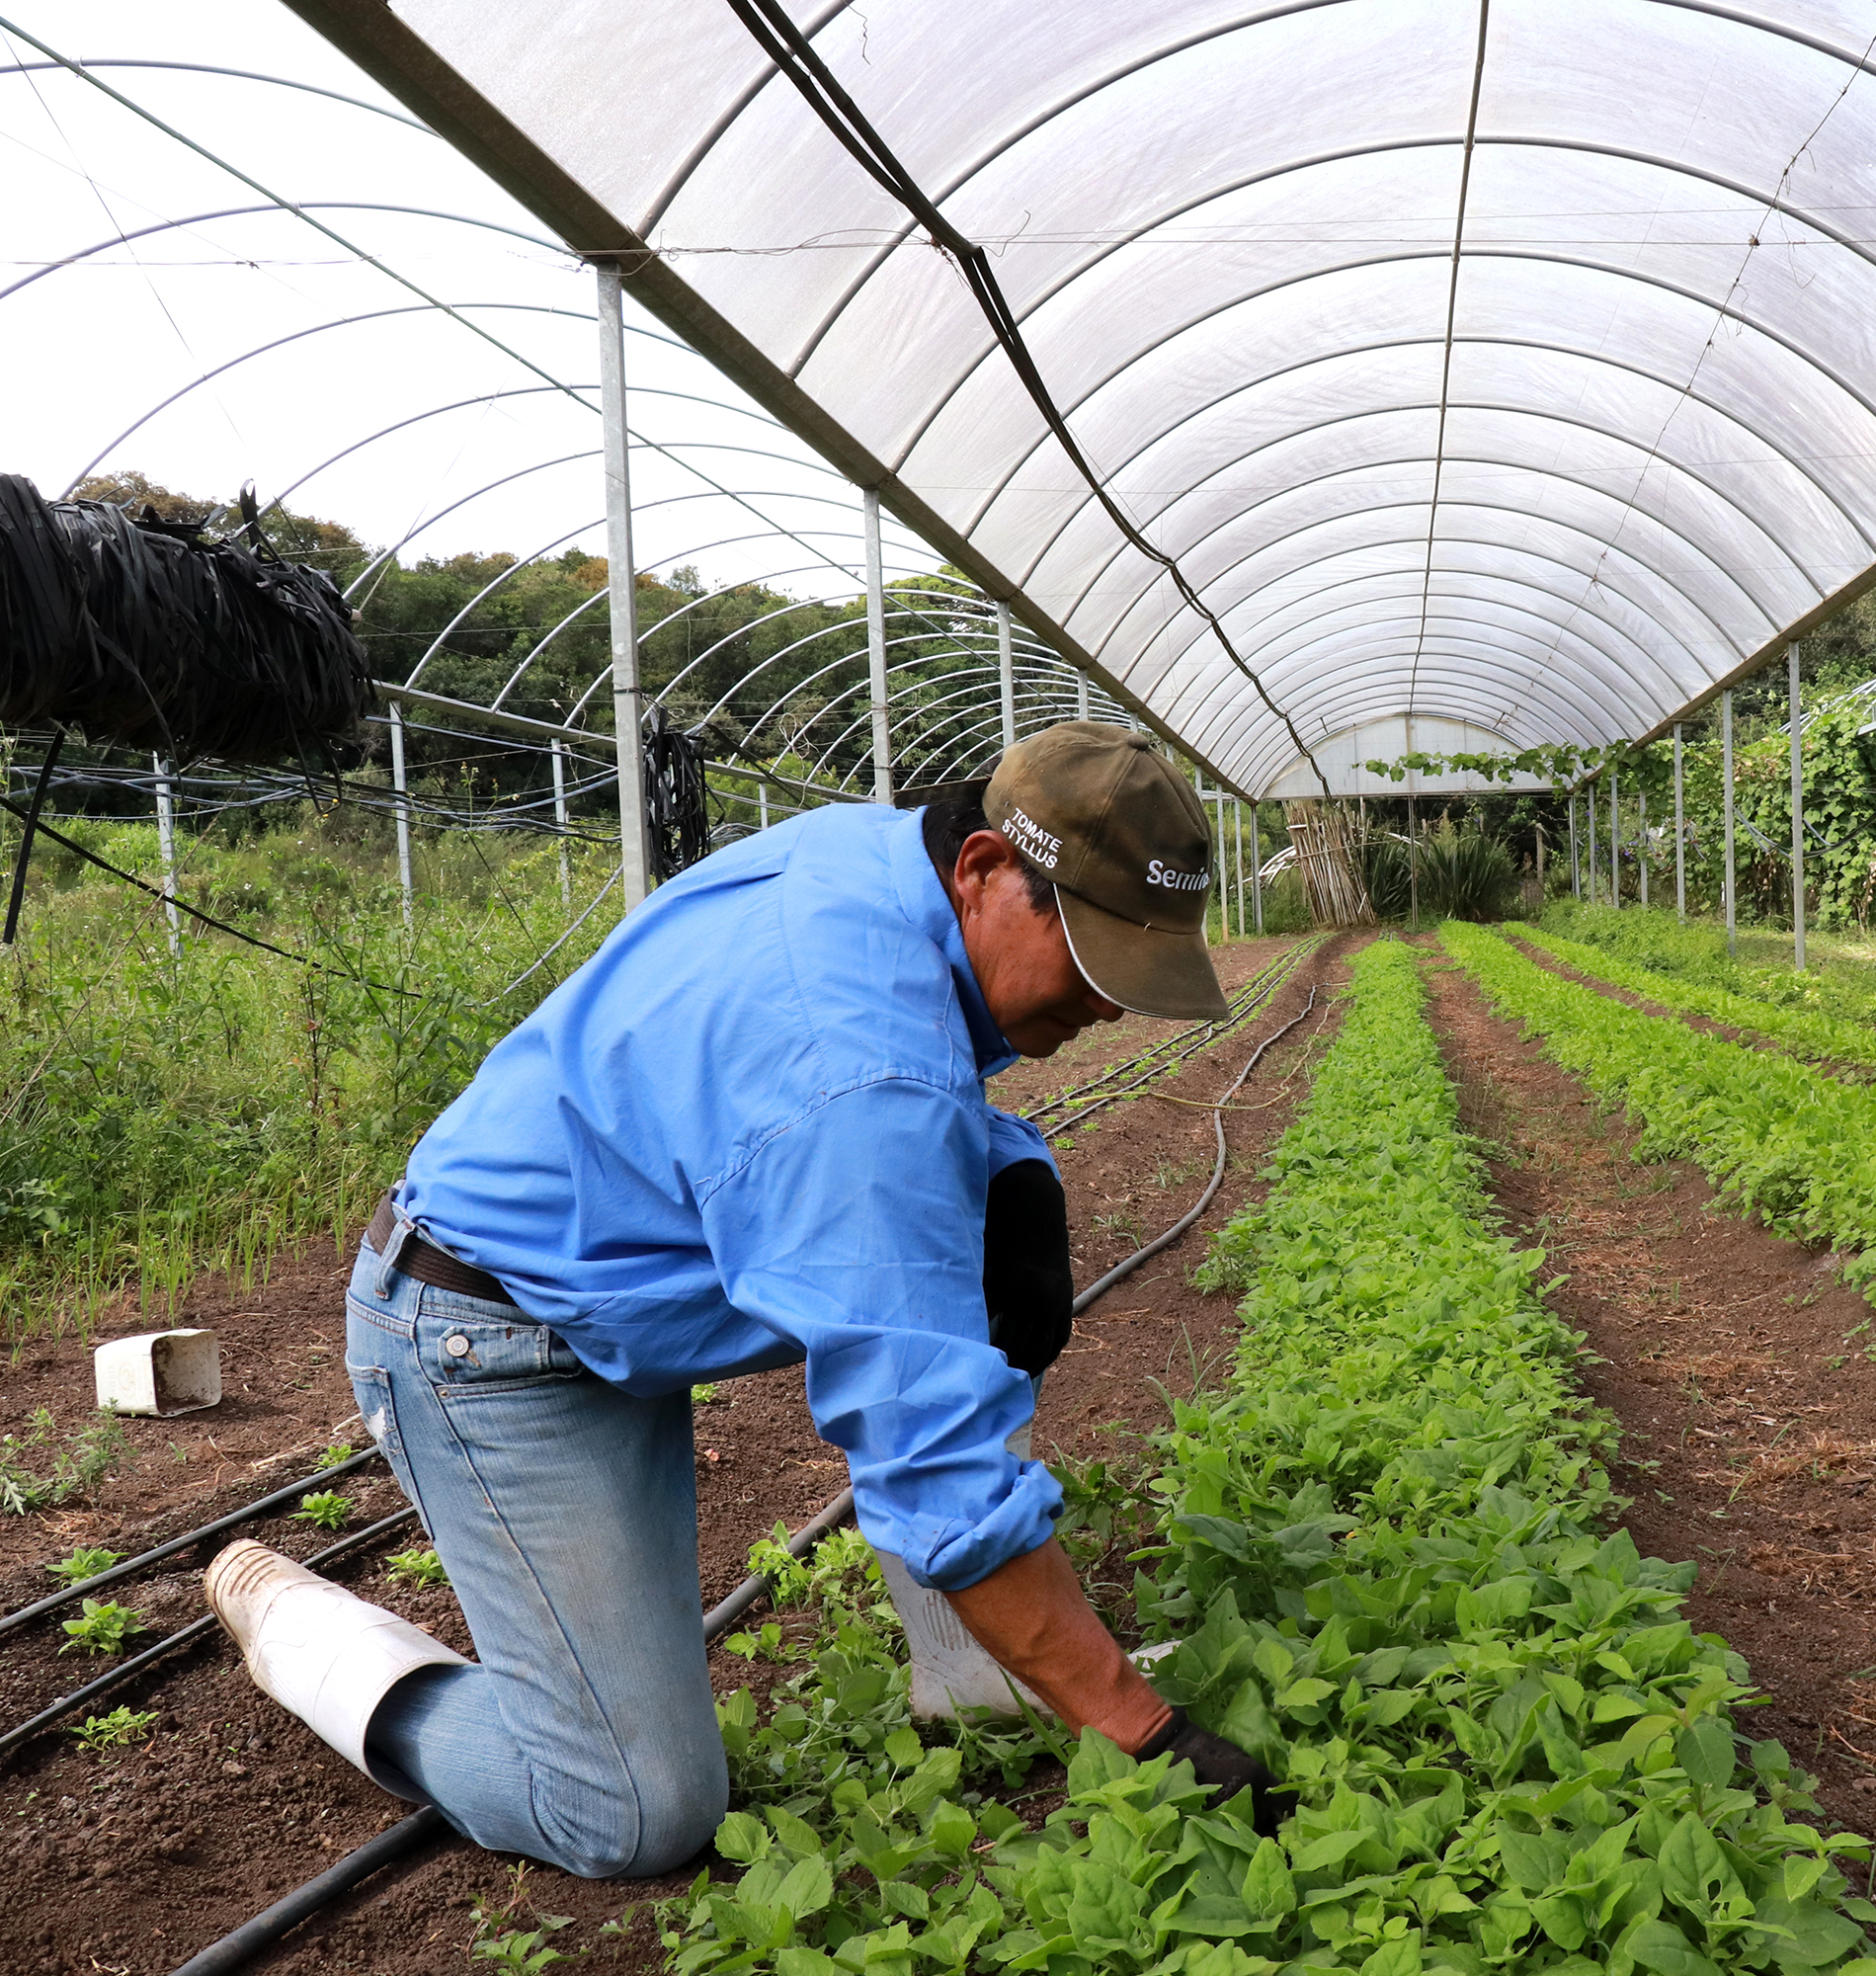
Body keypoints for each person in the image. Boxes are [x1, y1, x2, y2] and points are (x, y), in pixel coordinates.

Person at [204, 722, 1283, 1878]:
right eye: (1091, 951)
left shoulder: (892, 872)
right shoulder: (858, 1056)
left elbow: (858, 1112)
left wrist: (1007, 1164)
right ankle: (308, 1631)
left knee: (987, 1231)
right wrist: (1144, 1732)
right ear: (980, 868)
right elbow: (923, 1430)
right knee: (631, 1805)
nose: (1109, 1005)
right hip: (484, 1333)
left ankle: (970, 1669)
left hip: (614, 1275)